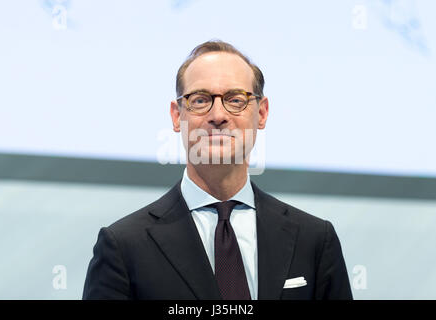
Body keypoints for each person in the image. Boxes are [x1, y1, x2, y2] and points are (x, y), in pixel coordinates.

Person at [82, 40, 353, 300]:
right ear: (177, 116)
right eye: (200, 100)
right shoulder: (124, 246)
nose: (218, 115)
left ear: (261, 113)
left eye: (236, 99)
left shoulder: (314, 239)